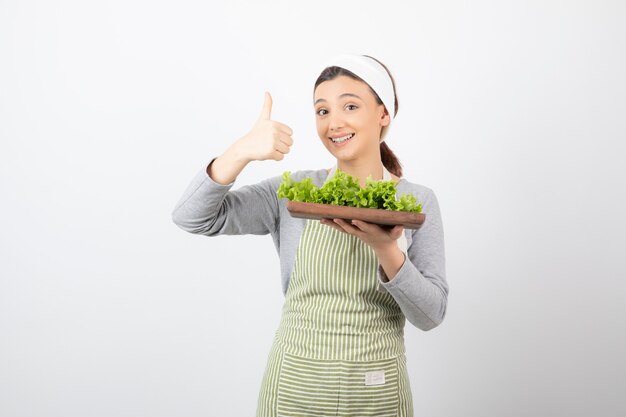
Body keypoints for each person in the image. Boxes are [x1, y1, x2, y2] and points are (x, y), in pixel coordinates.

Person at [171, 54, 448, 417]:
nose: (334, 123)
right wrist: (240, 152)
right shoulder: (294, 192)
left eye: (350, 106)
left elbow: (430, 315)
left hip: (375, 393)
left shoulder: (416, 201)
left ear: (383, 114)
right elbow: (192, 218)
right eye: (322, 111)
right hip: (292, 392)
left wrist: (387, 249)